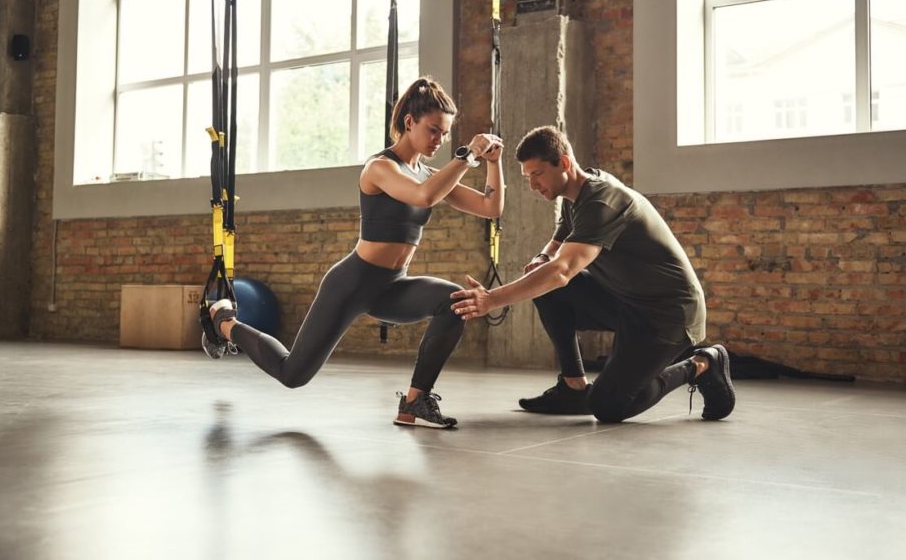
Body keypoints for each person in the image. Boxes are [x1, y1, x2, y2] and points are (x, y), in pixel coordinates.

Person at [206, 77, 504, 428]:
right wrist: (467, 155)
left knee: (455, 302)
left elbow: (490, 207)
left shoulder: (430, 173)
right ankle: (224, 322)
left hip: (393, 286)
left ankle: (414, 402)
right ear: (410, 122)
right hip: (352, 283)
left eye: (445, 133)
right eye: (434, 130)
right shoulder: (380, 167)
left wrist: (493, 163)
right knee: (293, 373)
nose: (439, 140)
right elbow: (424, 196)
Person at [450, 125, 734, 423]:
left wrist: (491, 299)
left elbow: (563, 271)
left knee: (608, 406)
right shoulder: (576, 192)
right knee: (547, 286)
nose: (532, 185)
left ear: (564, 163)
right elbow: (562, 235)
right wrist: (543, 256)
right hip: (626, 300)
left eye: (537, 174)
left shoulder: (600, 200)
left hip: (667, 313)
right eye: (527, 177)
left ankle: (703, 363)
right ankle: (573, 387)